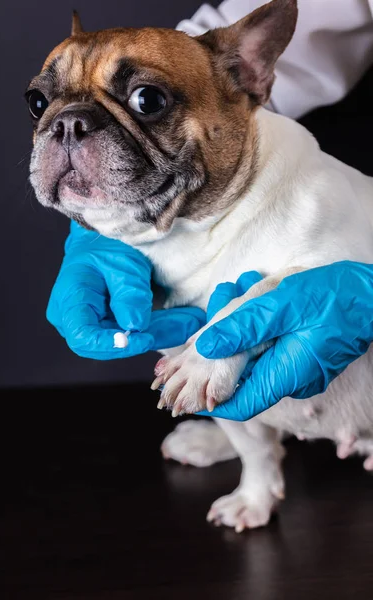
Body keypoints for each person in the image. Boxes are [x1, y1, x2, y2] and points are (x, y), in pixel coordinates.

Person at [46, 0, 373, 420]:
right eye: (42, 104)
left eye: (146, 101)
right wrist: (106, 219)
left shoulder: (314, 201)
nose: (69, 129)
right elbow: (201, 68)